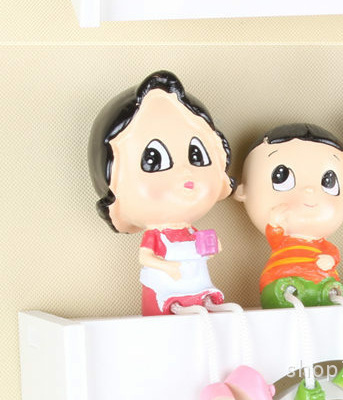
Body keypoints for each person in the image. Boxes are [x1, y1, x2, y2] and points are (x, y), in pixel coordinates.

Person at [88, 70, 235, 316]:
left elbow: (207, 251)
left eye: (196, 155)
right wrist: (168, 268)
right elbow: (145, 258)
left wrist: (211, 246)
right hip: (167, 287)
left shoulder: (191, 231)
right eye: (154, 160)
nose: (185, 172)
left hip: (196, 285)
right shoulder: (155, 236)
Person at [234, 123, 343, 309]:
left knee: (330, 294)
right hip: (282, 277)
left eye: (328, 182)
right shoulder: (282, 240)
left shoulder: (323, 244)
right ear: (243, 191)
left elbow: (333, 253)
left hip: (322, 279)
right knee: (281, 291)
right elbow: (275, 238)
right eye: (282, 177)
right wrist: (275, 222)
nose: (309, 190)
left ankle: (328, 292)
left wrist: (330, 260)